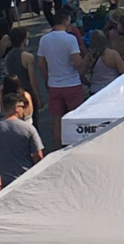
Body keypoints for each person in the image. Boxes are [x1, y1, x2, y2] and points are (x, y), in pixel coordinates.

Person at [37, 9, 86, 148]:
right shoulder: (70, 39)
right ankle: (76, 146)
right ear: (65, 21)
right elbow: (77, 62)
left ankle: (58, 149)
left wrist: (47, 79)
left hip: (54, 84)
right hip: (72, 84)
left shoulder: (44, 39)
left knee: (57, 120)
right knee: (75, 119)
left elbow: (41, 63)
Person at [0, 93, 44, 187]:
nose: (23, 110)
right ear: (16, 108)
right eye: (22, 107)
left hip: (2, 182)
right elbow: (38, 156)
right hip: (25, 178)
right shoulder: (28, 128)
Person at [4, 28, 41, 128]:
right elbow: (32, 80)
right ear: (24, 40)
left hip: (13, 93)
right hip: (26, 93)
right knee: (33, 123)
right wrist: (38, 98)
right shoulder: (28, 57)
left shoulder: (8, 57)